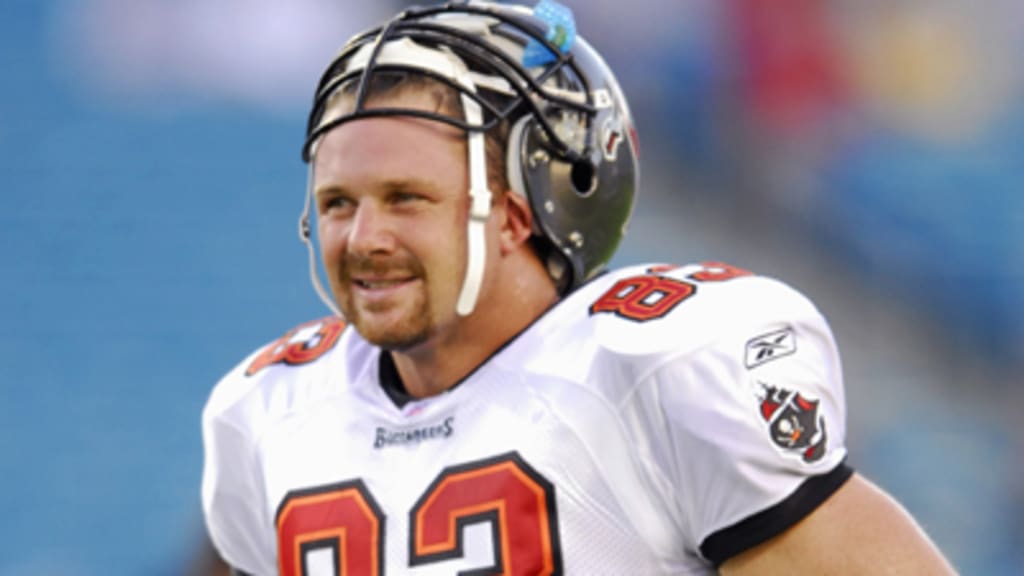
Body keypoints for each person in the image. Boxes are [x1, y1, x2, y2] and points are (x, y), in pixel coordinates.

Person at [201, 1, 956, 574]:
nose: (362, 238)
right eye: (338, 203)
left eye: (406, 197)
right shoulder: (269, 413)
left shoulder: (651, 368)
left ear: (520, 213)